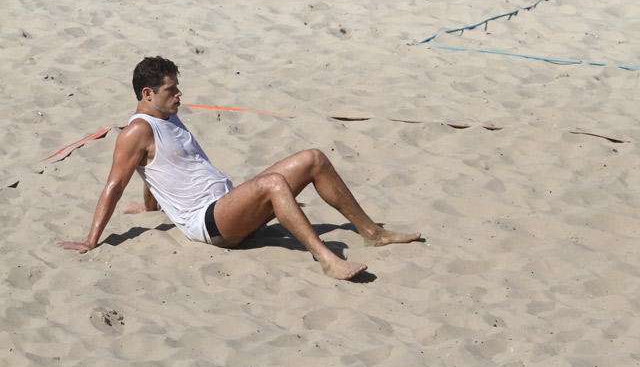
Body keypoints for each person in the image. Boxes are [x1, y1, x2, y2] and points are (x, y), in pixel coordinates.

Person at [59, 56, 421, 280]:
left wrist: (152, 206)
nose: (179, 95)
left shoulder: (167, 117)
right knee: (274, 183)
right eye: (171, 90)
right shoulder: (136, 130)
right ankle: (327, 259)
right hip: (209, 224)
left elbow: (157, 168)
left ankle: (373, 233)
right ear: (147, 94)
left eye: (178, 87)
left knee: (313, 157)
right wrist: (93, 240)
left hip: (228, 204)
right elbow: (113, 185)